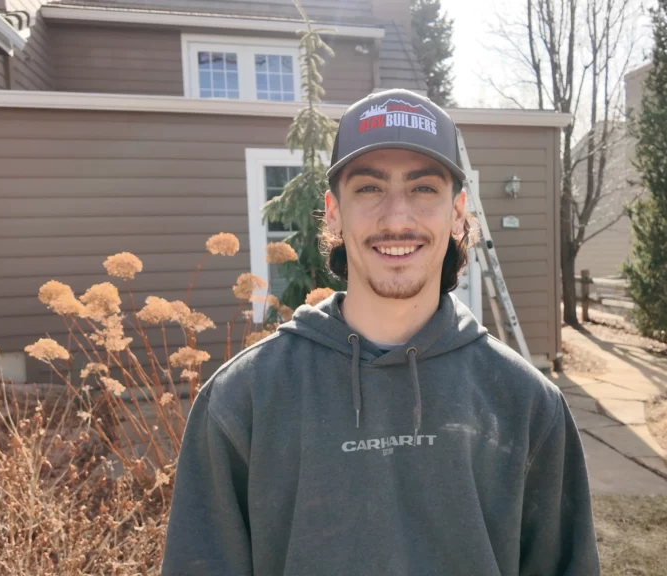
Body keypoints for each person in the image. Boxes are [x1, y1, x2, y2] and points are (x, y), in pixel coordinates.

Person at [162, 88, 600, 575]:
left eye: (423, 188)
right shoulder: (242, 400)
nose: (396, 218)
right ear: (333, 210)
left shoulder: (526, 403)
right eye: (370, 188)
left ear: (457, 211)